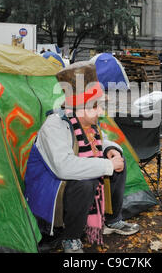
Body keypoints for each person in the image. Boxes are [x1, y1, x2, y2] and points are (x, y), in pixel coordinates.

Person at [24, 62, 139, 254]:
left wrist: (111, 149)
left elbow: (101, 142)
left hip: (69, 181)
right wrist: (106, 164)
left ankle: (111, 220)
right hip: (49, 188)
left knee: (118, 160)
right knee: (87, 181)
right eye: (96, 106)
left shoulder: (86, 124)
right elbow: (64, 167)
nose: (101, 112)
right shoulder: (55, 125)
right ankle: (70, 237)